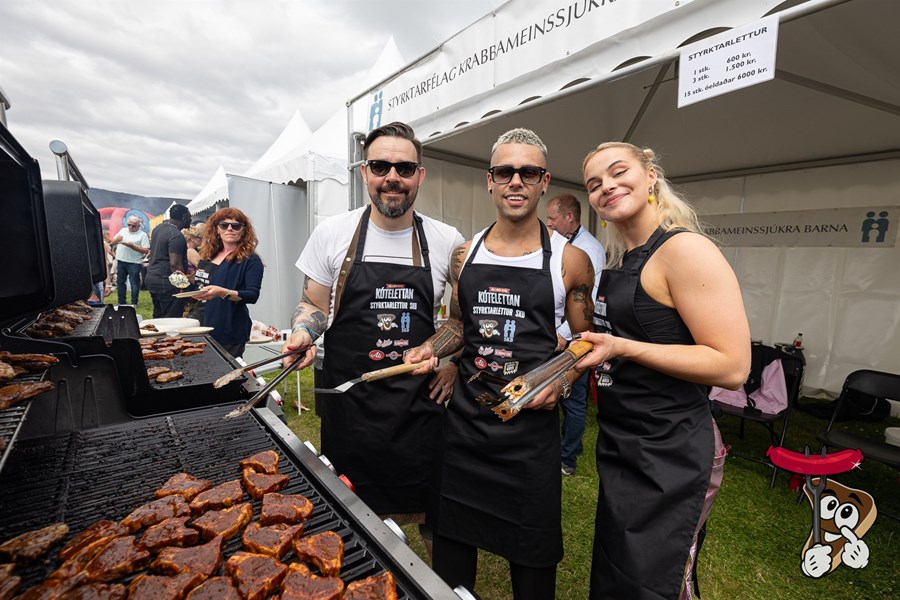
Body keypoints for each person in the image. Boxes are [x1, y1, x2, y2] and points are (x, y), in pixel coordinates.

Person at [404, 128, 595, 599]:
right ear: (489, 181)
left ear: (543, 181)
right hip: (465, 429)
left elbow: (589, 342)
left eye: (527, 172)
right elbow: (457, 325)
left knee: (531, 566)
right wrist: (432, 346)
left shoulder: (570, 262)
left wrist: (562, 379)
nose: (515, 181)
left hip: (529, 439)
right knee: (449, 566)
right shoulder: (464, 254)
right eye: (505, 172)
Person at [575, 142, 751, 599]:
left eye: (618, 172)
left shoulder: (685, 250)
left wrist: (623, 346)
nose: (606, 187)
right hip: (625, 444)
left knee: (656, 580)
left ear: (651, 174)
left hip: (672, 449)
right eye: (595, 184)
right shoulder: (620, 262)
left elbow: (732, 366)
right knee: (618, 572)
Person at [281, 122, 464, 548]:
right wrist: (303, 332)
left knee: (432, 522)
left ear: (420, 174)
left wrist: (450, 361)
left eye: (404, 167)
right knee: (345, 527)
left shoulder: (446, 241)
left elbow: (461, 320)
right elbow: (312, 305)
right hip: (350, 408)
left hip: (419, 409)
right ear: (364, 172)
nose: (392, 177)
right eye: (381, 166)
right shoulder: (332, 233)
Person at [546, 192, 606, 476]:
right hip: (557, 335)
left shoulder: (587, 250)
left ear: (569, 217)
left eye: (552, 218)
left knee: (573, 397)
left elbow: (587, 302)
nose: (548, 223)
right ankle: (569, 444)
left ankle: (567, 459)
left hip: (574, 337)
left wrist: (562, 334)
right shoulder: (561, 244)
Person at [190, 208, 263, 359]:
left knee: (226, 378)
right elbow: (203, 284)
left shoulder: (250, 260)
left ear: (243, 230)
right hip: (201, 323)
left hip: (229, 328)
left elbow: (252, 295)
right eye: (224, 225)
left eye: (235, 225)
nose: (229, 228)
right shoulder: (210, 255)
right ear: (217, 229)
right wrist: (187, 278)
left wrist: (222, 292)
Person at [144, 204, 192, 318]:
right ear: (184, 218)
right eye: (190, 218)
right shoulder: (176, 236)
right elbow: (175, 264)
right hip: (166, 282)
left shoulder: (158, 228)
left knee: (159, 316)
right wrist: (182, 286)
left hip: (152, 278)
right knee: (171, 318)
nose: (191, 220)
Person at [111, 215, 150, 306]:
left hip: (134, 262)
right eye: (129, 225)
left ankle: (134, 303)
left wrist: (132, 246)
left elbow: (146, 250)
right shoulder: (123, 230)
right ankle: (121, 302)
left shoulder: (142, 235)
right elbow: (112, 243)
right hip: (121, 260)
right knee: (120, 283)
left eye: (133, 226)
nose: (130, 227)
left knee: (134, 283)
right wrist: (116, 239)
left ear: (138, 226)